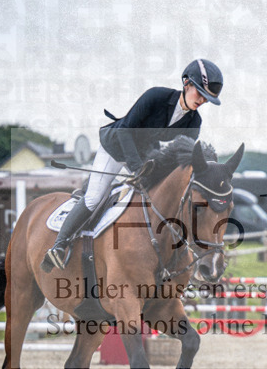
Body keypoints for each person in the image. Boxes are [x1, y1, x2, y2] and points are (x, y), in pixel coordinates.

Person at [41, 59, 224, 272]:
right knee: (93, 197)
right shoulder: (156, 96)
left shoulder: (194, 122)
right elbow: (124, 131)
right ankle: (59, 245)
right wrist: (137, 168)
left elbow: (179, 155)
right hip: (116, 146)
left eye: (207, 98)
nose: (202, 100)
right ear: (186, 84)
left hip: (145, 153)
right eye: (200, 93)